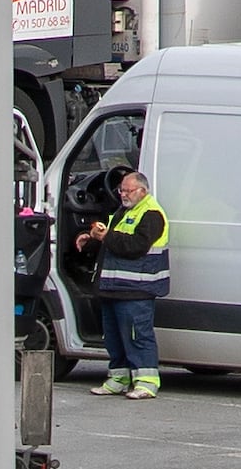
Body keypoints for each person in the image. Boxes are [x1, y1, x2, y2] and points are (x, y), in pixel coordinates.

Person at [72, 163, 172, 398]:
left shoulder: (151, 214)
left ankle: (146, 382)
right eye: (121, 191)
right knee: (114, 337)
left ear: (142, 192)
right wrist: (93, 237)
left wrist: (107, 236)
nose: (123, 195)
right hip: (113, 288)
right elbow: (113, 240)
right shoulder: (124, 211)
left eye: (128, 191)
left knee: (138, 336)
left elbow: (134, 247)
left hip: (136, 290)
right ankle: (118, 378)